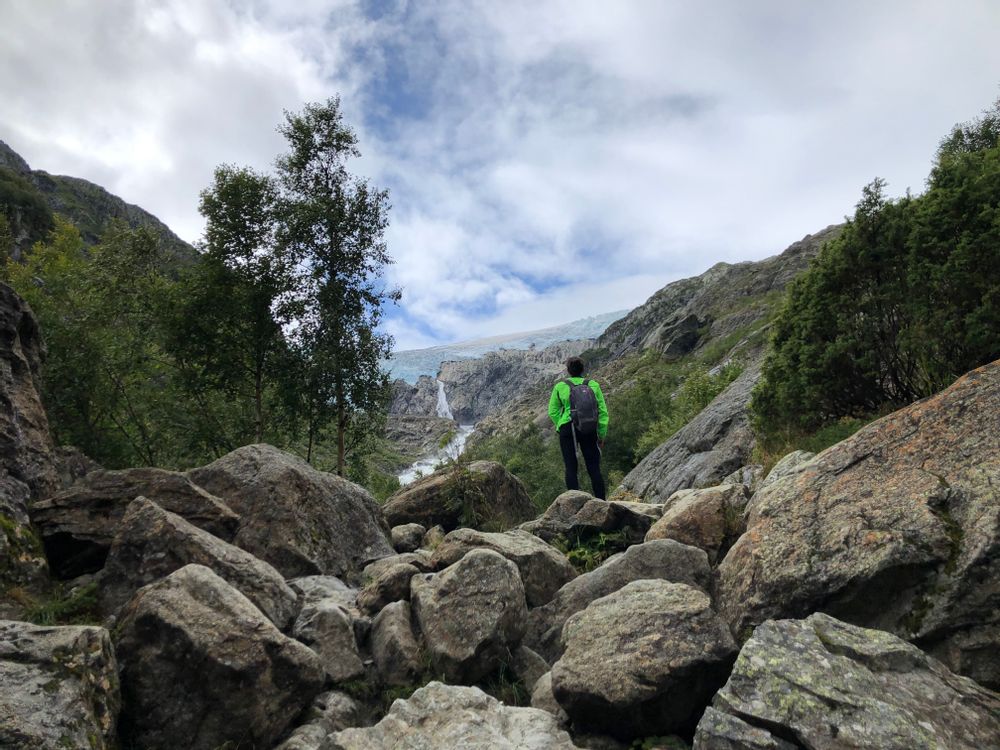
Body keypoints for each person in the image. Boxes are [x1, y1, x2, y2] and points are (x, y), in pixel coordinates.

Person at [548, 356, 609, 499]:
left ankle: (574, 504)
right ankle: (602, 502)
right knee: (594, 468)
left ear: (568, 371)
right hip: (589, 427)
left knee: (570, 468)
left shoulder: (560, 386)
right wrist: (601, 434)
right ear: (583, 370)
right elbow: (602, 412)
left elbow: (552, 411)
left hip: (568, 429)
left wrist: (561, 424)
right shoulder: (593, 385)